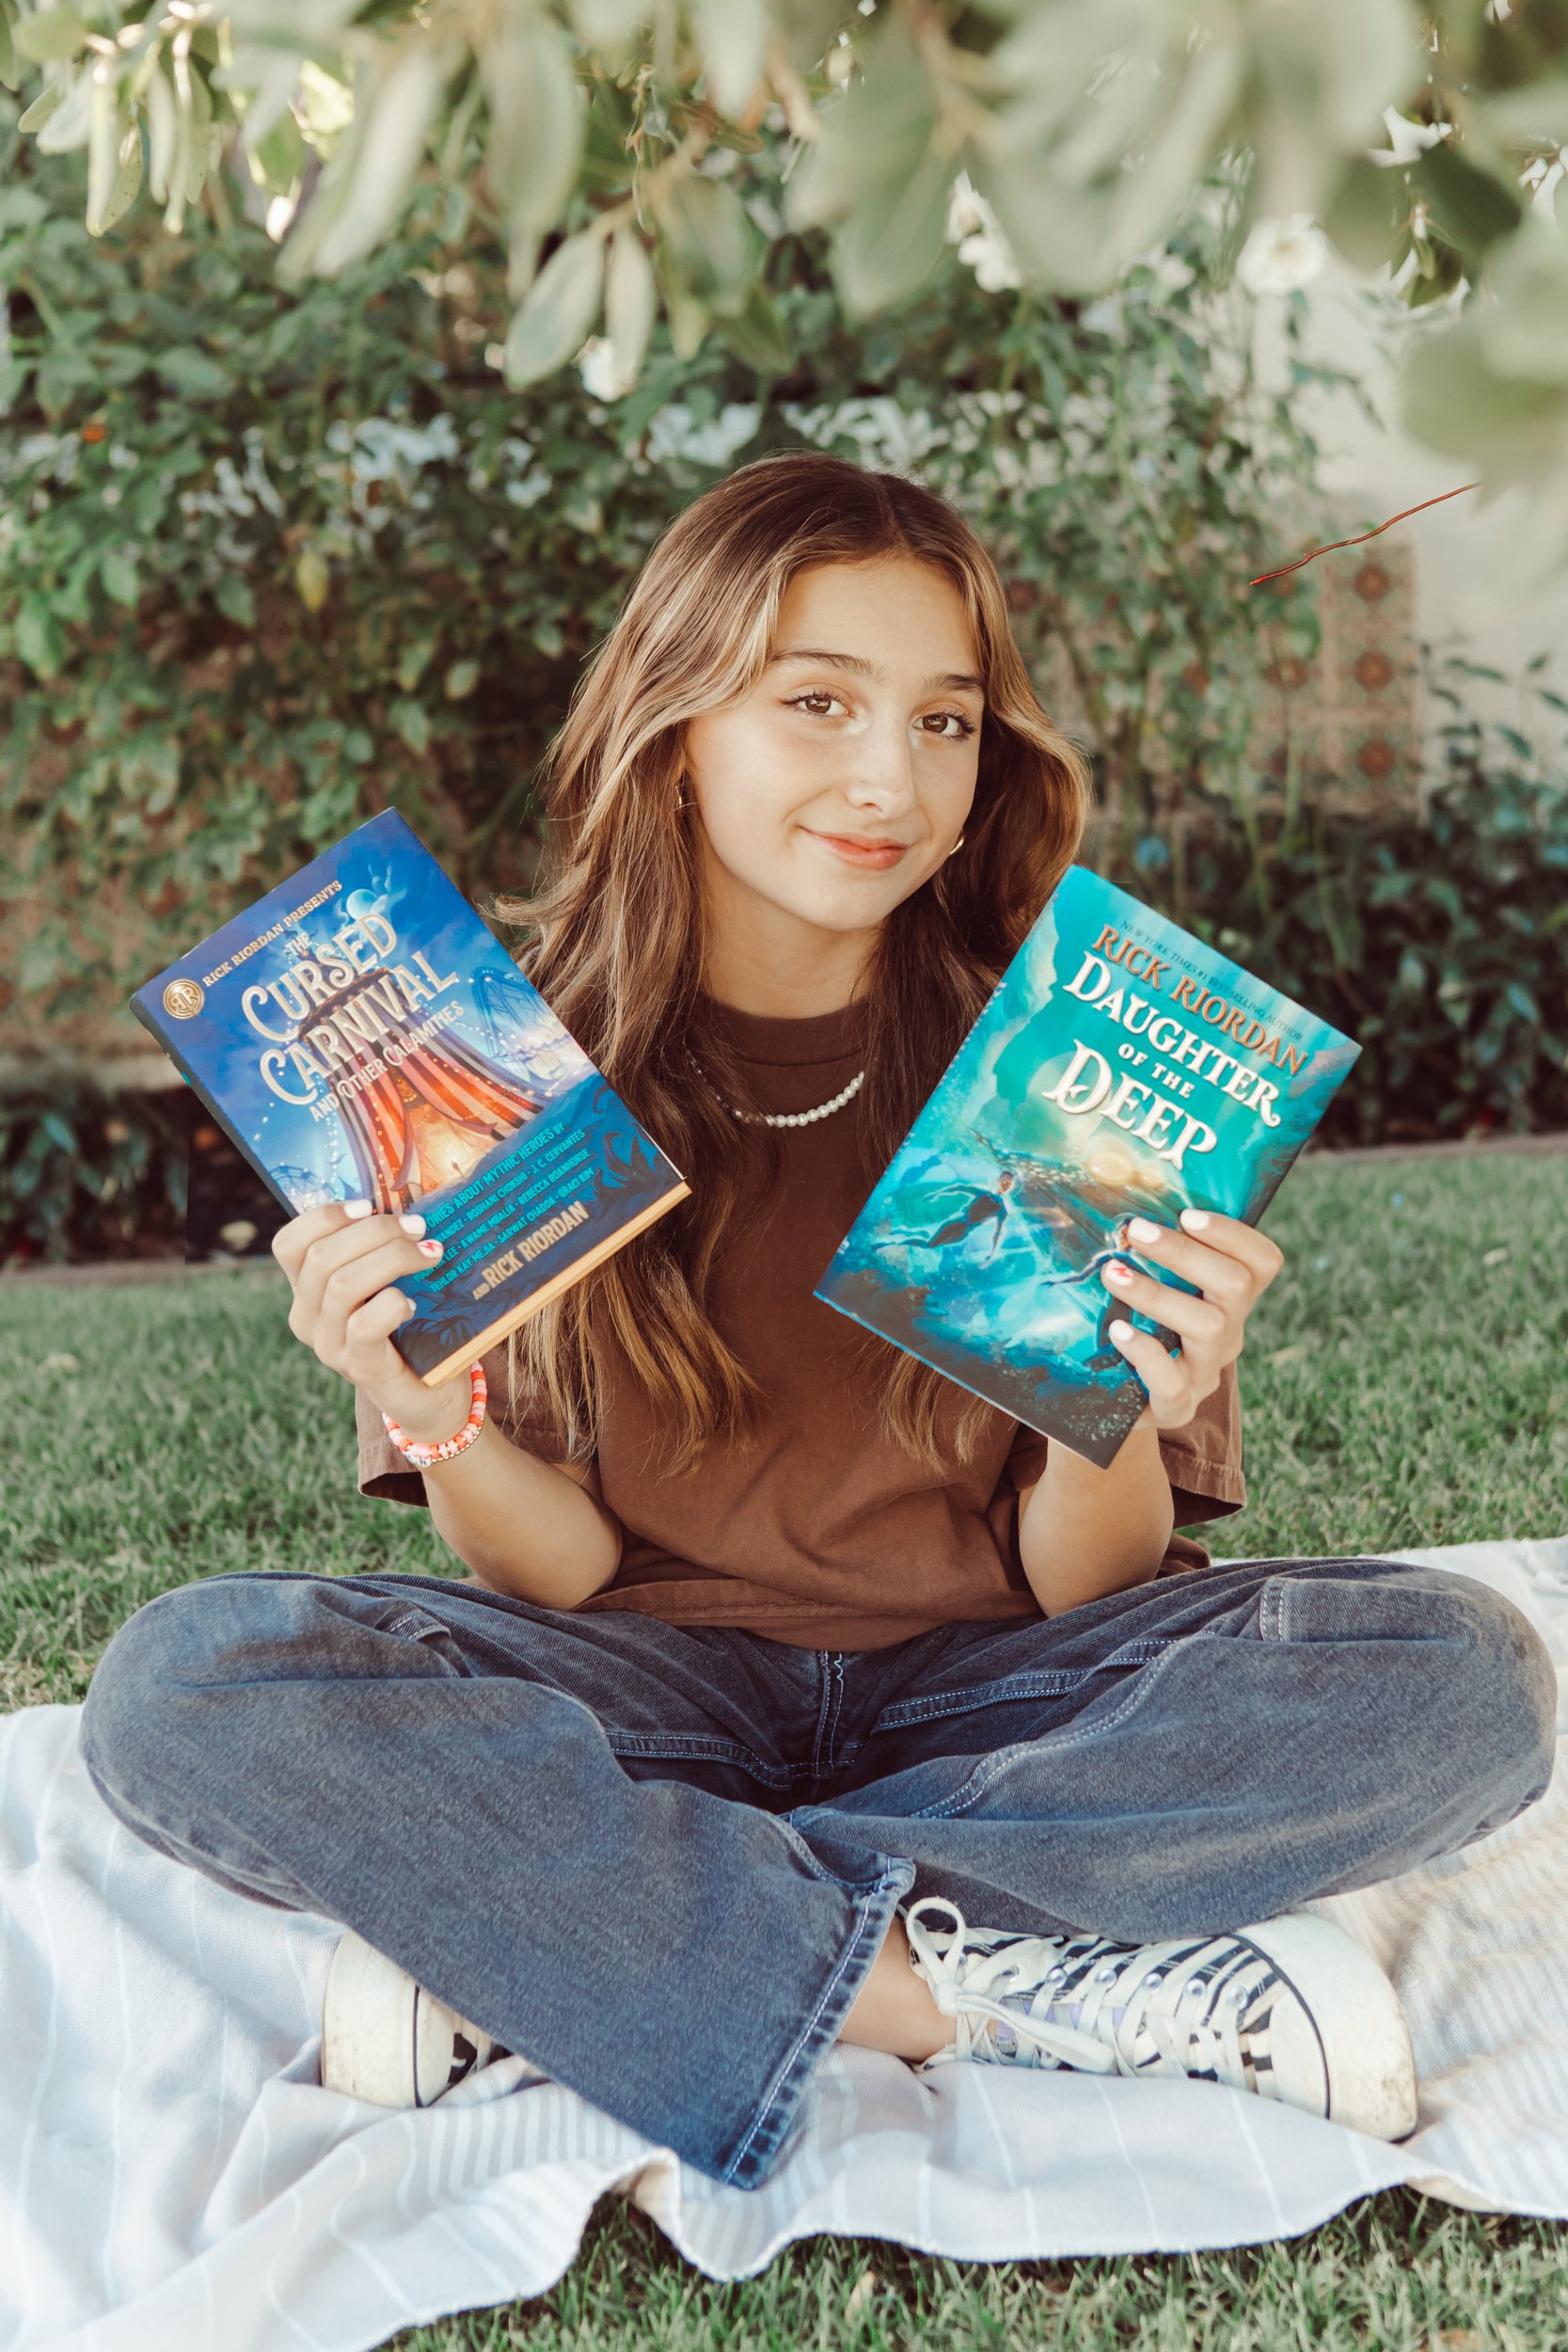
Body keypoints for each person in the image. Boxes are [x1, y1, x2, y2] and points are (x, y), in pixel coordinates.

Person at [80, 453, 1557, 2193]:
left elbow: (1088, 1584)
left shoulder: (1066, 1069)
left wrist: (1126, 1409)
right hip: (650, 1694)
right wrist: (433, 1407)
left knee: (1466, 1677)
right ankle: (997, 1978)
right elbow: (554, 1583)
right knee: (188, 1681)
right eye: (817, 704)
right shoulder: (489, 1078)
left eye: (945, 724)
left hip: (1006, 1700)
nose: (890, 778)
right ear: (676, 723)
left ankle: (571, 1948)